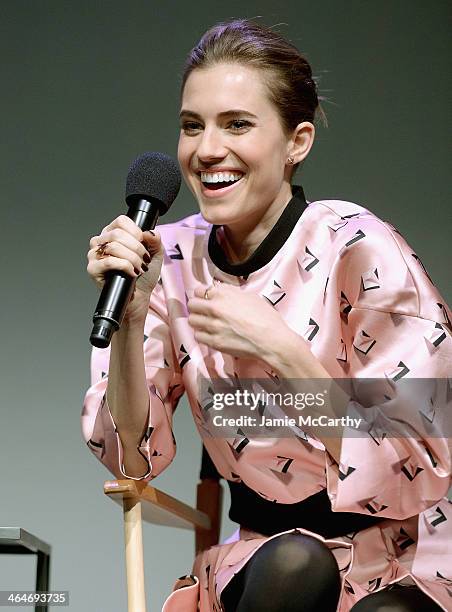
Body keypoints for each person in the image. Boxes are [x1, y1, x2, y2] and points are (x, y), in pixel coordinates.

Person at [83, 19, 452, 611]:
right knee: (294, 564)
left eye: (237, 125)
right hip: (268, 558)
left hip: (400, 555)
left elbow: (423, 459)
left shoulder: (358, 248)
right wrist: (129, 321)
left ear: (297, 142)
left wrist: (283, 350)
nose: (207, 150)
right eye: (191, 127)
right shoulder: (167, 260)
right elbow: (132, 456)